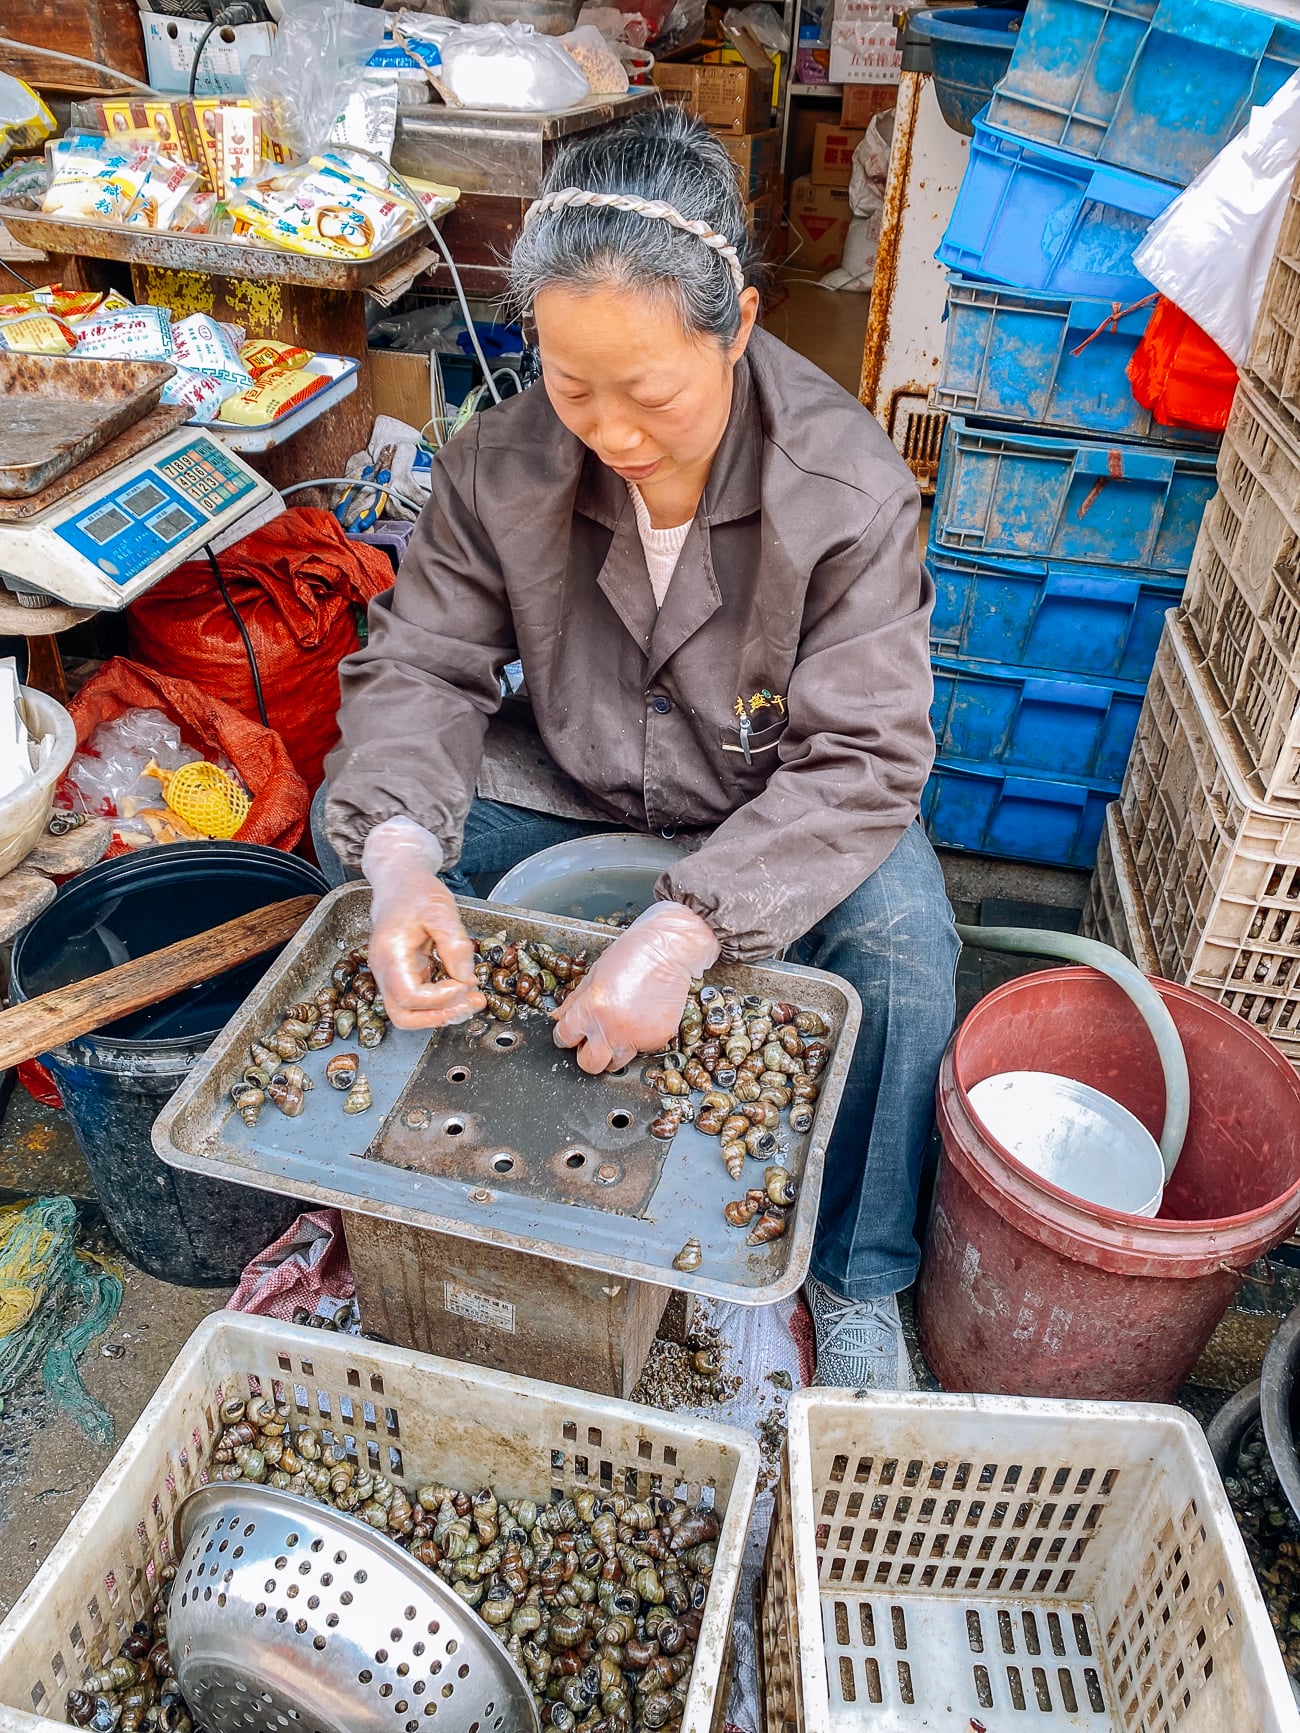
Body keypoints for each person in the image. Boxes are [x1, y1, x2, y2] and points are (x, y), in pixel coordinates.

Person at [319, 106, 959, 1390]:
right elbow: (423, 665)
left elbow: (865, 754)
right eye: (571, 385)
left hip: (771, 804)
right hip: (571, 775)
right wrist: (396, 855)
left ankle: (855, 1273)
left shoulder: (844, 488)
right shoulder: (499, 463)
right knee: (363, 865)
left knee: (903, 953)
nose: (610, 430)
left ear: (740, 324)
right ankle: (419, 1187)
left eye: (651, 391)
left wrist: (681, 929)